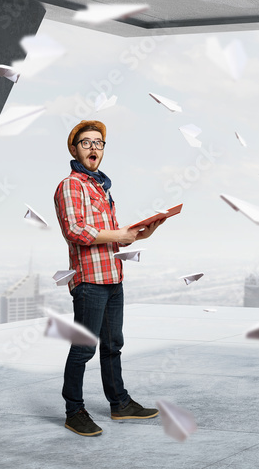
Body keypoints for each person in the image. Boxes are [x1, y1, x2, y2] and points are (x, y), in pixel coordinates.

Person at [53, 120, 166, 437]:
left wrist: (139, 235)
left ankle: (120, 404)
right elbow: (75, 231)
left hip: (113, 276)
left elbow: (110, 238)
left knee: (113, 345)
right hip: (89, 281)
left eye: (98, 143)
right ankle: (74, 412)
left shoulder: (101, 188)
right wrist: (120, 234)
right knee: (84, 349)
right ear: (75, 149)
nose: (93, 148)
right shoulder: (71, 185)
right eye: (86, 143)